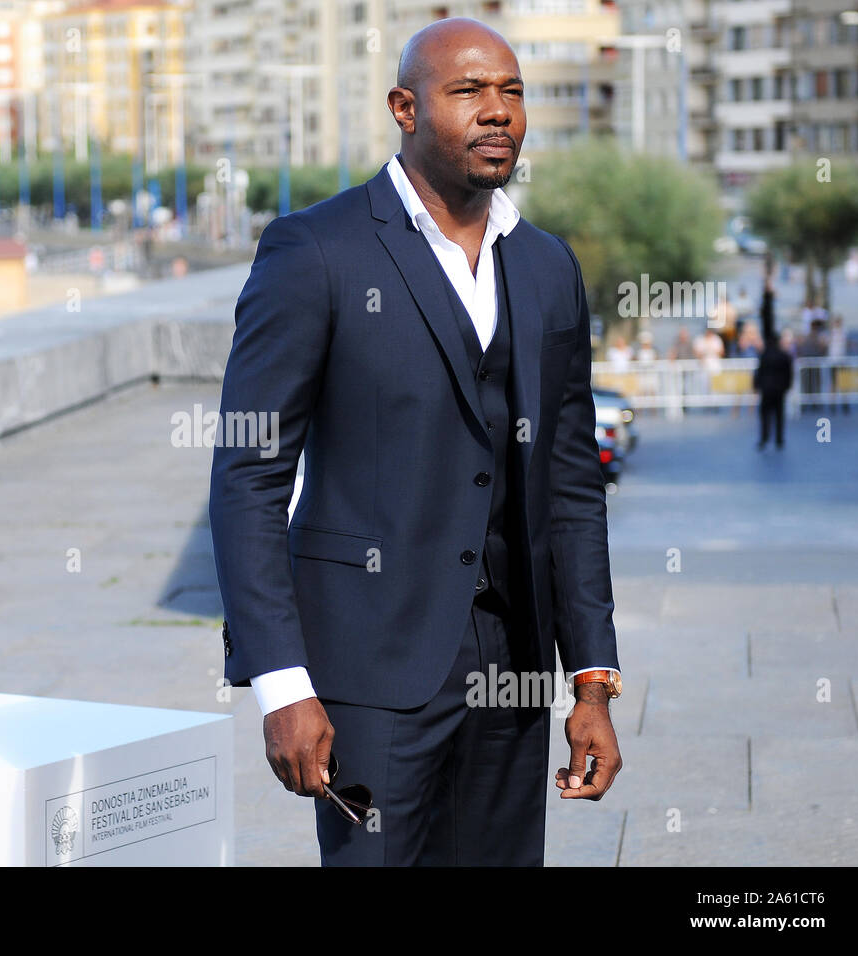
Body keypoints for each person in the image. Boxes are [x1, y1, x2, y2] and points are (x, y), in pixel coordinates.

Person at [210, 17, 621, 868]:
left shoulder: (547, 266)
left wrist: (592, 679)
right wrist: (283, 686)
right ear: (404, 106)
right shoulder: (315, 250)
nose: (497, 111)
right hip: (369, 671)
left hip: (511, 670)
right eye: (468, 91)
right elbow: (249, 477)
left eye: (511, 91)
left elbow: (572, 484)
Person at [754, 332, 793, 449]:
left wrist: (757, 385)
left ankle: (764, 437)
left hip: (766, 389)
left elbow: (759, 372)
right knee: (779, 415)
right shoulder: (784, 355)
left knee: (765, 415)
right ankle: (779, 439)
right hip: (779, 389)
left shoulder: (764, 355)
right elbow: (789, 374)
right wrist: (787, 386)